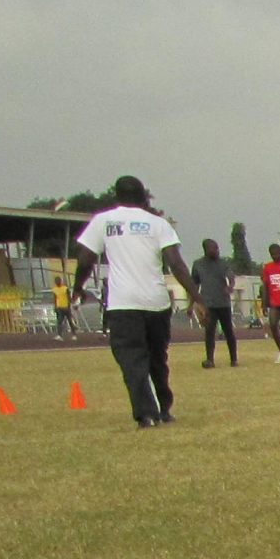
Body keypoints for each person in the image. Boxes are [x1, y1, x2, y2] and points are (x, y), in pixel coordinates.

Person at [72, 177, 201, 428]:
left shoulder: (103, 221)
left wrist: (78, 287)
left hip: (123, 303)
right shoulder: (157, 223)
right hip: (156, 301)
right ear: (144, 197)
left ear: (116, 196)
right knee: (157, 357)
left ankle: (146, 413)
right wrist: (197, 296)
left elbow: (86, 259)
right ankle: (163, 408)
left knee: (132, 359)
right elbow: (175, 263)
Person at [187, 237, 238, 367]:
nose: (217, 250)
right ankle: (210, 359)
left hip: (223, 303)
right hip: (208, 304)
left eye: (217, 248)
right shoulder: (198, 264)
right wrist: (191, 305)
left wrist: (230, 286)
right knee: (209, 332)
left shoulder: (223, 263)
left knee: (228, 331)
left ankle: (234, 359)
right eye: (214, 248)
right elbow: (194, 286)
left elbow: (230, 276)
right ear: (206, 250)